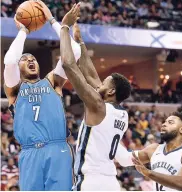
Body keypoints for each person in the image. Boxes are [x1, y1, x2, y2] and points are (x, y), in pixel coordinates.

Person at [3, 1, 81, 190]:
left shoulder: (53, 81)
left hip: (58, 149)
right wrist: (23, 31)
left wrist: (54, 21)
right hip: (30, 152)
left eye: (33, 59)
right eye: (26, 59)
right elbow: (10, 60)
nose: (30, 60)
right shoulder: (15, 89)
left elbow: (75, 53)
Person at [59, 4, 131, 190]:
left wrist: (64, 27)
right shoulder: (122, 114)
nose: (99, 83)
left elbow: (68, 64)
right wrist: (81, 42)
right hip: (111, 182)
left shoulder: (98, 106)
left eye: (105, 82)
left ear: (111, 92)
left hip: (91, 181)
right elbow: (91, 75)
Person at [116, 111, 182, 191]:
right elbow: (124, 160)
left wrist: (148, 173)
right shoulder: (153, 149)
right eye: (164, 122)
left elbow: (181, 183)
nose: (164, 124)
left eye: (170, 122)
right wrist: (110, 138)